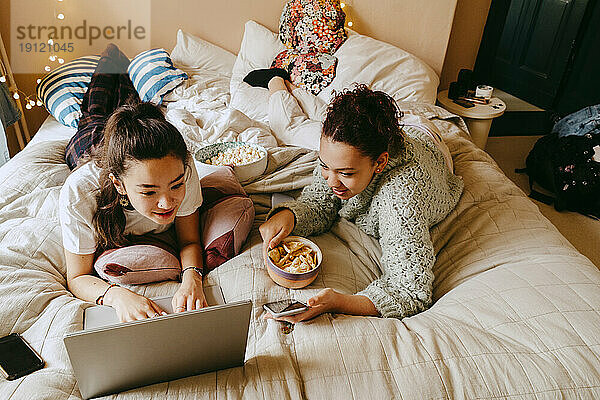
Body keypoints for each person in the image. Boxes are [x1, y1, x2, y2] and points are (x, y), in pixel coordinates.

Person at [259, 84, 464, 322]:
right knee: (297, 128)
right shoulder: (339, 158)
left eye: (345, 173)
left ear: (379, 163)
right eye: (324, 166)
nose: (332, 181)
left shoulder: (401, 199)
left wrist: (337, 302)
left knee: (292, 129)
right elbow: (319, 202)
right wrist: (288, 216)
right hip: (396, 133)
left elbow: (411, 292)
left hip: (428, 139)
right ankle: (280, 83)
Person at [59, 44, 207, 322]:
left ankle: (125, 69)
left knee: (132, 103)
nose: (166, 202)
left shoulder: (183, 167)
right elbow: (77, 276)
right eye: (149, 191)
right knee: (94, 109)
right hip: (89, 144)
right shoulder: (80, 191)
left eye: (175, 186)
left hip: (126, 143)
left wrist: (192, 279)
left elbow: (190, 240)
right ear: (119, 185)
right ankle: (112, 56)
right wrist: (116, 296)